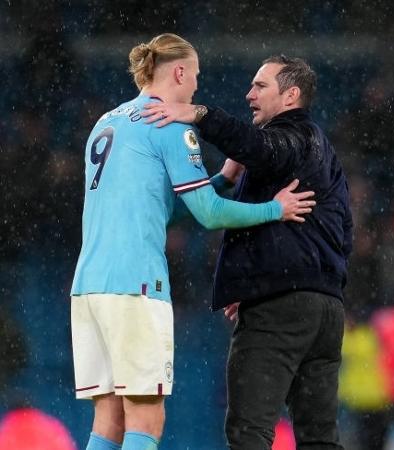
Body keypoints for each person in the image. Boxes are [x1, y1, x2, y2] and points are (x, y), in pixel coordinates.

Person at [70, 35, 316, 450]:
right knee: (146, 420)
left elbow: (162, 210)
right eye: (196, 77)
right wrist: (275, 209)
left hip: (89, 287)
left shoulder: (106, 122)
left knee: (108, 420)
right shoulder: (169, 124)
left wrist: (222, 178)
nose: (196, 87)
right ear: (179, 72)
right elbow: (210, 215)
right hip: (136, 285)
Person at [142, 55, 353, 450]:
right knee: (320, 439)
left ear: (291, 95)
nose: (249, 93)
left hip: (283, 308)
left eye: (260, 86)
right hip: (325, 312)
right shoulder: (321, 153)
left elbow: (259, 147)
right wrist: (298, 284)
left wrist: (199, 114)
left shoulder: (295, 135)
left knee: (249, 433)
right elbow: (344, 231)